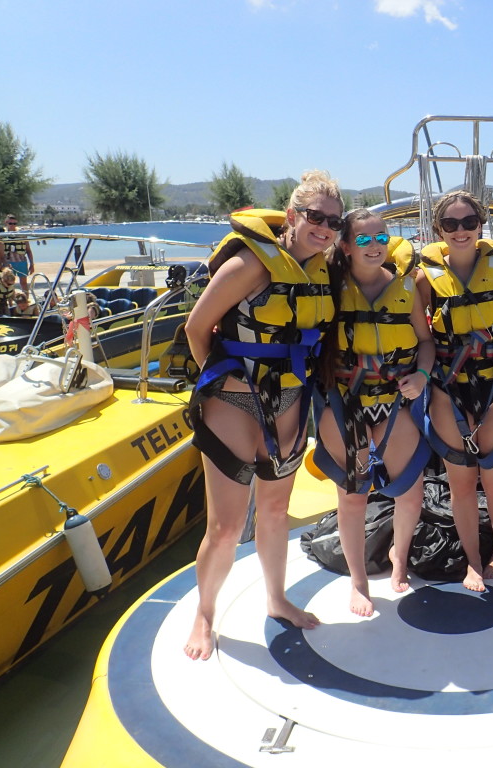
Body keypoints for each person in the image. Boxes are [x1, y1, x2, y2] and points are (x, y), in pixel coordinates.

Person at [182, 170, 343, 661]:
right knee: (227, 527)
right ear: (292, 216)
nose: (324, 227)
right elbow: (196, 327)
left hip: (290, 402)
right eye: (315, 217)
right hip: (233, 400)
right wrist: (228, 374)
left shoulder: (322, 270)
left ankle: (277, 599)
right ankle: (204, 614)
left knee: (274, 512)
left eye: (333, 221)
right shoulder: (251, 265)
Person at [312, 209, 434, 617]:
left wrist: (421, 374)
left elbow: (425, 341)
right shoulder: (328, 285)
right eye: (363, 239)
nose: (375, 246)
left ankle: (400, 559)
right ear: (345, 246)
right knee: (352, 496)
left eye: (381, 237)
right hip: (346, 401)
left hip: (395, 399)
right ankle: (359, 582)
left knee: (410, 491)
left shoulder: (406, 286)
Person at [415, 191, 493, 592]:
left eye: (468, 223)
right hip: (449, 387)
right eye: (450, 224)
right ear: (438, 230)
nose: (460, 231)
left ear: (480, 226)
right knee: (460, 482)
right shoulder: (424, 279)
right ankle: (473, 562)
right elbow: (417, 333)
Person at [3, 216, 34, 293]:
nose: (12, 225)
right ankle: (10, 302)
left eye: (14, 223)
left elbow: (28, 250)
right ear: (6, 223)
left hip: (21, 261)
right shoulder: (2, 234)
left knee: (23, 283)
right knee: (8, 283)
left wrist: (32, 264)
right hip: (8, 262)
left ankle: (25, 300)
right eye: (10, 223)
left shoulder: (21, 234)